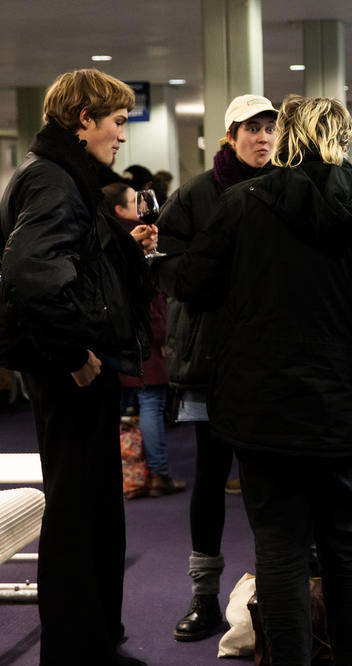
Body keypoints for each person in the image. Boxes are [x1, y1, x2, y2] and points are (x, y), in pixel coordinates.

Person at [174, 94, 352, 665]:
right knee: (344, 545)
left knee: (279, 546)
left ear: (287, 138)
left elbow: (195, 288)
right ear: (343, 138)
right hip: (345, 404)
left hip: (262, 403)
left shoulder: (241, 205)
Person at [0, 68, 150, 666]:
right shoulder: (54, 180)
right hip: (68, 367)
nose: (121, 136)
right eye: (116, 123)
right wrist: (74, 355)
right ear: (84, 118)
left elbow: (67, 265)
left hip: (69, 362)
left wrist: (122, 254)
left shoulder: (59, 176)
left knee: (88, 504)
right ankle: (76, 650)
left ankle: (91, 641)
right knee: (77, 507)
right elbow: (30, 275)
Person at [154, 93, 279, 642]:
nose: (262, 138)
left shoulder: (288, 188)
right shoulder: (196, 196)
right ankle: (205, 597)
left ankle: (279, 595)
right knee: (210, 478)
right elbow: (172, 273)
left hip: (271, 362)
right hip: (210, 360)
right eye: (251, 129)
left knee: (270, 481)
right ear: (229, 136)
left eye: (270, 129)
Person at [103, 182, 186, 497]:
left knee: (122, 410)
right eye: (132, 201)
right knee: (151, 403)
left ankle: (124, 476)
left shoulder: (108, 242)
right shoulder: (136, 242)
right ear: (120, 211)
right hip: (145, 338)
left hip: (117, 340)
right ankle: (158, 474)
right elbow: (152, 299)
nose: (140, 206)